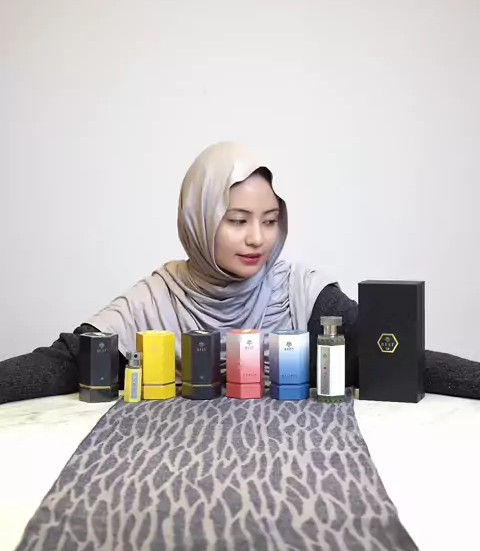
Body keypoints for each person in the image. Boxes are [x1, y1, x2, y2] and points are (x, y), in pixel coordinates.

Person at [1, 141, 479, 405]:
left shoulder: (298, 290)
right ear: (197, 219)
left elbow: (394, 355)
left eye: (270, 221)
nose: (257, 239)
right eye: (236, 220)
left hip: (291, 481)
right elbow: (63, 362)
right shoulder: (156, 298)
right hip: (176, 478)